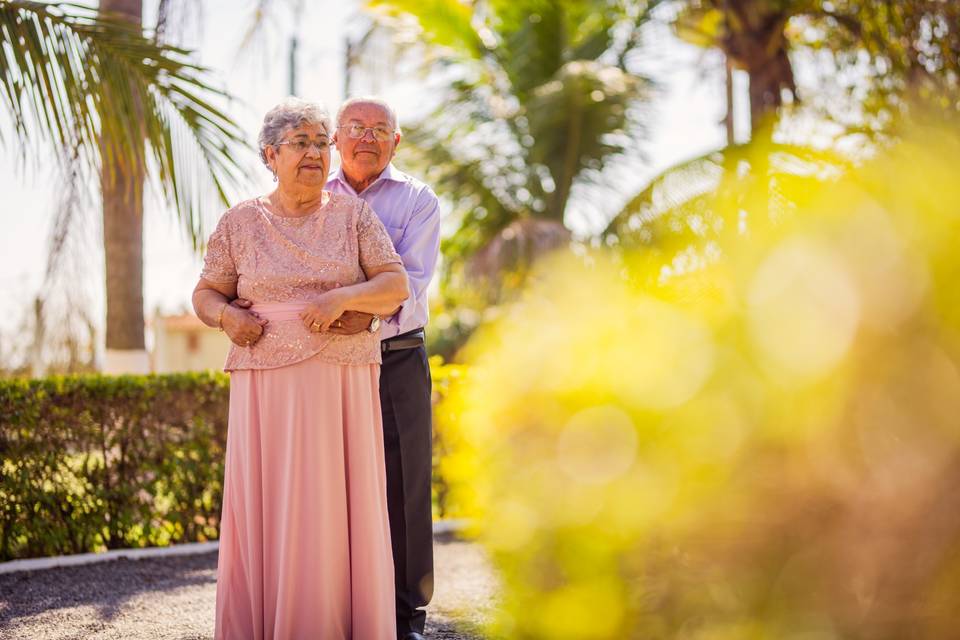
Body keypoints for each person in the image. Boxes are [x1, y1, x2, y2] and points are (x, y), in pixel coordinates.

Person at [192, 97, 408, 639]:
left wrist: (340, 300)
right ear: (270, 154)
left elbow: (394, 285)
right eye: (300, 143)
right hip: (264, 380)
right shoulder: (239, 221)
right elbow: (205, 293)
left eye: (319, 142)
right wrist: (224, 318)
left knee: (335, 507)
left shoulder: (355, 215)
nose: (314, 153)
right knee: (274, 505)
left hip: (340, 376)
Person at [327, 96, 441, 640]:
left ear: (397, 141)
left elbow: (412, 288)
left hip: (396, 360)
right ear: (334, 138)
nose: (366, 137)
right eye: (355, 127)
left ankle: (405, 617)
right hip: (326, 366)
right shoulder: (310, 199)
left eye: (379, 129)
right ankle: (339, 608)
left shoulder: (418, 200)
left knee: (405, 488)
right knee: (328, 485)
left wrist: (359, 319)